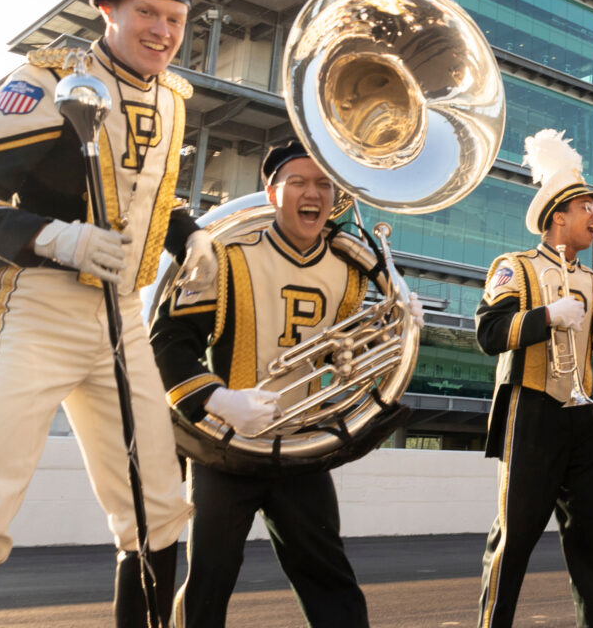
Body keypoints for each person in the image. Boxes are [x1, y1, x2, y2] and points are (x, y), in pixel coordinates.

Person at [0, 0, 218, 628]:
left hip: (124, 320)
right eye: (147, 12)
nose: (163, 30)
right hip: (39, 306)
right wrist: (55, 237)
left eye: (175, 19)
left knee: (158, 511)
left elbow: (145, 195)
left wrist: (189, 236)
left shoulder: (172, 97)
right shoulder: (51, 78)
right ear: (105, 11)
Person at [149, 141, 415, 627]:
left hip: (301, 448)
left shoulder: (351, 264)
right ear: (271, 194)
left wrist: (397, 326)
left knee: (332, 583)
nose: (312, 192)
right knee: (209, 582)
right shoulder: (224, 254)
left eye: (322, 183)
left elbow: (344, 348)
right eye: (298, 182)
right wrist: (219, 400)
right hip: (226, 447)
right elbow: (168, 342)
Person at [474, 129, 593, 628]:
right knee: (515, 536)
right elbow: (489, 331)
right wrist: (545, 316)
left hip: (583, 419)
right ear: (558, 215)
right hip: (533, 410)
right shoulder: (513, 267)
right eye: (588, 206)